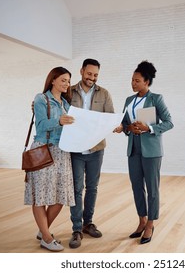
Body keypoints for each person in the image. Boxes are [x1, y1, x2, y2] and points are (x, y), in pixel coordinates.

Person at [115, 60, 173, 244]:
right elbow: (125, 124)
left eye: (137, 81)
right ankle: (141, 220)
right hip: (133, 148)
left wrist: (149, 128)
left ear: (146, 82)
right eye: (132, 80)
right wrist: (126, 128)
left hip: (151, 150)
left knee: (152, 189)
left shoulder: (156, 98)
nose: (133, 83)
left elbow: (169, 122)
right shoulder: (128, 100)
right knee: (136, 186)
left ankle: (150, 224)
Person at [24, 67, 75, 252]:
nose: (66, 84)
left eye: (68, 81)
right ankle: (46, 237)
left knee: (62, 196)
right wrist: (59, 121)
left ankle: (42, 230)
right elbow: (40, 125)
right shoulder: (41, 98)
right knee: (40, 197)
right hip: (44, 150)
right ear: (53, 80)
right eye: (63, 80)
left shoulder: (66, 103)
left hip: (63, 152)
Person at [68, 58, 115, 249]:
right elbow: (55, 107)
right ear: (81, 71)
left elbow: (110, 117)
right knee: (77, 189)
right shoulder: (68, 91)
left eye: (95, 75)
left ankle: (88, 223)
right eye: (89, 74)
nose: (92, 78)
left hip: (96, 149)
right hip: (75, 148)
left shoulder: (104, 93)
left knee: (92, 187)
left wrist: (116, 125)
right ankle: (77, 228)